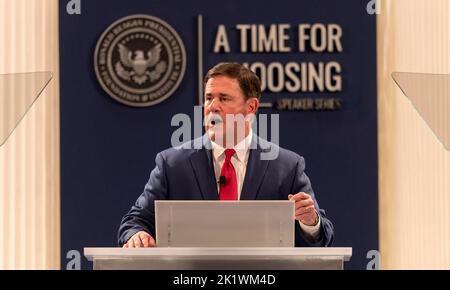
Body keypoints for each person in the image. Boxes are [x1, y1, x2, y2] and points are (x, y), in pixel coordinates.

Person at [118, 62, 334, 248]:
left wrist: (310, 222)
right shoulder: (172, 164)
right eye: (209, 98)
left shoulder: (286, 166)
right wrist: (137, 235)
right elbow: (135, 221)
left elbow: (321, 234)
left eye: (224, 98)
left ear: (251, 107)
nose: (213, 107)